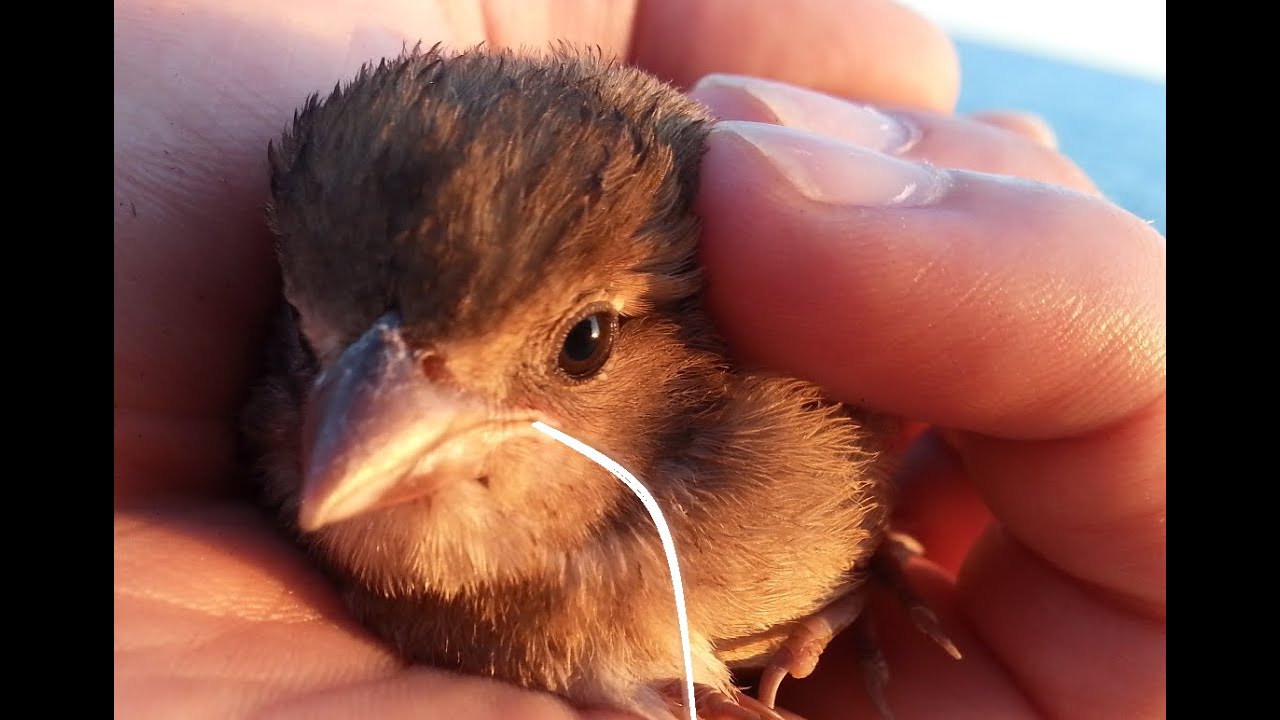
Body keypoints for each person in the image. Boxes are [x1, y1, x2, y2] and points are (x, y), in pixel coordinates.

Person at [114, 1, 1165, 717]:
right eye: (314, 345)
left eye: (578, 346)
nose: (360, 442)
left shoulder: (774, 468)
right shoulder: (240, 448)